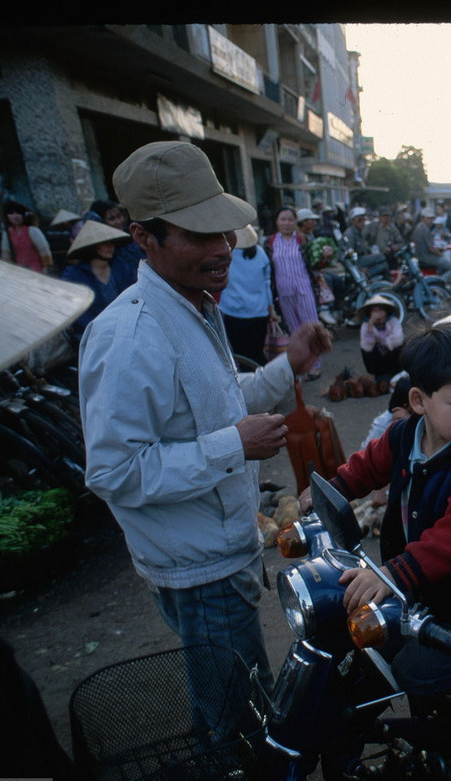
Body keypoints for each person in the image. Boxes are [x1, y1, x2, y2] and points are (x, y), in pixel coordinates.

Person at [79, 140, 332, 698]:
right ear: (144, 236)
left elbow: (218, 399)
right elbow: (113, 472)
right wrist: (232, 447)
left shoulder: (195, 303)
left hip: (226, 549)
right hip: (199, 571)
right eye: (200, 235)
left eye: (224, 232)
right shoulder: (130, 337)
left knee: (241, 697)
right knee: (235, 717)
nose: (223, 248)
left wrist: (285, 364)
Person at [298, 322, 451, 718]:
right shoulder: (403, 434)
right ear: (420, 400)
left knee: (413, 671)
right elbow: (365, 467)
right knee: (364, 642)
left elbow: (450, 543)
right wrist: (331, 490)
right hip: (423, 592)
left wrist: (388, 576)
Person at [266, 206, 324, 379]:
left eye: (290, 220)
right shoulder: (270, 242)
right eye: (282, 219)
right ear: (277, 222)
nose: (286, 223)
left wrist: (324, 256)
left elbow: (315, 264)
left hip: (304, 289)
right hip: (284, 292)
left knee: (311, 328)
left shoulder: (303, 240)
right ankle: (301, 364)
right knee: (294, 330)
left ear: (295, 221)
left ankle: (316, 364)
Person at [60, 220, 132, 341]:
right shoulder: (74, 276)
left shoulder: (121, 266)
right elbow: (76, 311)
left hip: (126, 327)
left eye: (112, 243)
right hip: (93, 334)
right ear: (93, 247)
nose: (111, 247)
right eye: (105, 243)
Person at [221, 224, 275, 366]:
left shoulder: (225, 255)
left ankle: (250, 385)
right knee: (257, 352)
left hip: (233, 313)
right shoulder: (261, 253)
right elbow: (267, 284)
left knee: (240, 355)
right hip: (259, 313)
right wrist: (271, 309)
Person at [358, 294, 405, 382]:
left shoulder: (393, 321)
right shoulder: (366, 325)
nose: (378, 314)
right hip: (378, 362)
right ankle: (379, 375)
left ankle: (397, 372)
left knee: (402, 346)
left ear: (386, 312)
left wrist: (381, 340)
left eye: (380, 310)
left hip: (393, 359)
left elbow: (398, 340)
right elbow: (367, 347)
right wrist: (371, 325)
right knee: (368, 350)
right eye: (374, 311)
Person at [0, 201, 54, 274]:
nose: (15, 216)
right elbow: (6, 255)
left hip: (38, 270)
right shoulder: (7, 234)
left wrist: (47, 267)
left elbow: (44, 249)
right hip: (19, 273)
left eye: (18, 213)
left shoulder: (32, 230)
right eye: (11, 213)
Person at [347, 205, 390, 279]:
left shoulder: (359, 232)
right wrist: (359, 268)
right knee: (381, 257)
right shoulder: (350, 234)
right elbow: (348, 256)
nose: (362, 223)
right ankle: (368, 274)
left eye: (363, 220)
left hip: (362, 258)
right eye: (359, 220)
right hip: (358, 261)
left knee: (384, 265)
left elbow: (364, 248)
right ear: (352, 221)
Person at [411, 208, 451, 276]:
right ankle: (441, 282)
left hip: (421, 257)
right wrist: (441, 254)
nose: (431, 221)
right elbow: (431, 249)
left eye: (432, 218)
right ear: (423, 218)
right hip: (428, 258)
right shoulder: (425, 229)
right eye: (429, 218)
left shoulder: (418, 227)